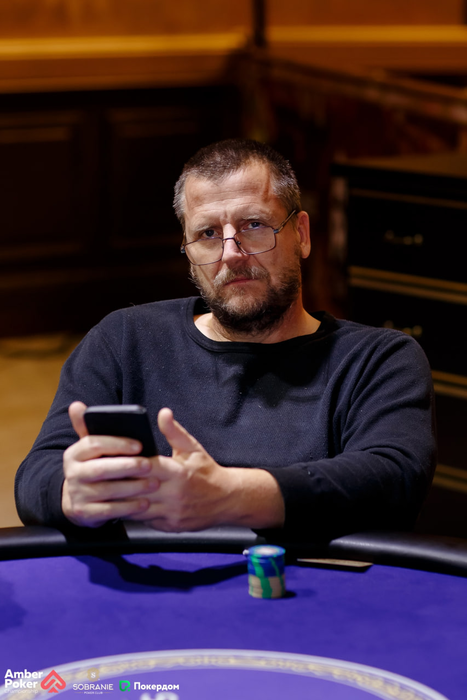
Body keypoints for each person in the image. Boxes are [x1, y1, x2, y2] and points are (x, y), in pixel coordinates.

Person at [15, 139, 436, 541]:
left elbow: (394, 480)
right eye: (208, 234)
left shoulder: (379, 359)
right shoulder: (125, 340)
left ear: (302, 234)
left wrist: (228, 496)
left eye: (254, 225)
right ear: (188, 251)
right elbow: (37, 476)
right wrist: (72, 492)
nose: (231, 253)